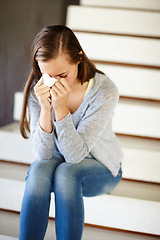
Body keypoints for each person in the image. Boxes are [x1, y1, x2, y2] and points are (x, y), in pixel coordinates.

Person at [19, 25, 123, 240]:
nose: (54, 82)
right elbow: (44, 154)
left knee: (67, 173)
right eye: (47, 75)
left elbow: (75, 157)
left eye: (62, 75)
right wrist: (46, 109)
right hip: (58, 163)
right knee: (38, 168)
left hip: (101, 166)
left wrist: (61, 109)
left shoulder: (103, 90)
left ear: (79, 59)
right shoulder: (37, 90)